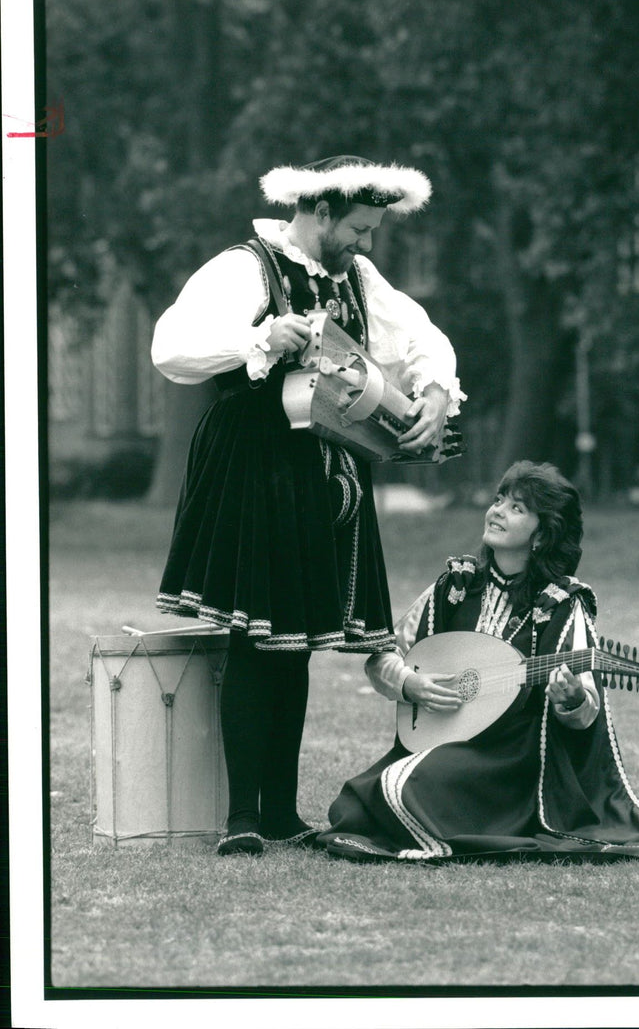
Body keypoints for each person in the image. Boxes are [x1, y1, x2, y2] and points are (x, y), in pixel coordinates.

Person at [151, 155, 465, 856]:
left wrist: (436, 392)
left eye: (375, 229)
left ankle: (283, 813)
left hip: (327, 468)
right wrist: (258, 338)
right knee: (253, 639)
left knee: (295, 647)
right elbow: (171, 349)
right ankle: (240, 818)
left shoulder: (355, 275)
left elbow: (419, 335)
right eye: (359, 227)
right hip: (253, 459)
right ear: (320, 211)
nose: (367, 242)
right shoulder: (245, 266)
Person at [318, 461, 639, 862]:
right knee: (356, 800)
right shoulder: (455, 587)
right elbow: (382, 651)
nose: (497, 510)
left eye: (517, 507)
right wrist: (409, 684)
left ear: (541, 535)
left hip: (509, 763)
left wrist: (570, 699)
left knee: (400, 789)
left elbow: (586, 711)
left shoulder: (561, 606)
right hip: (442, 740)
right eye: (499, 499)